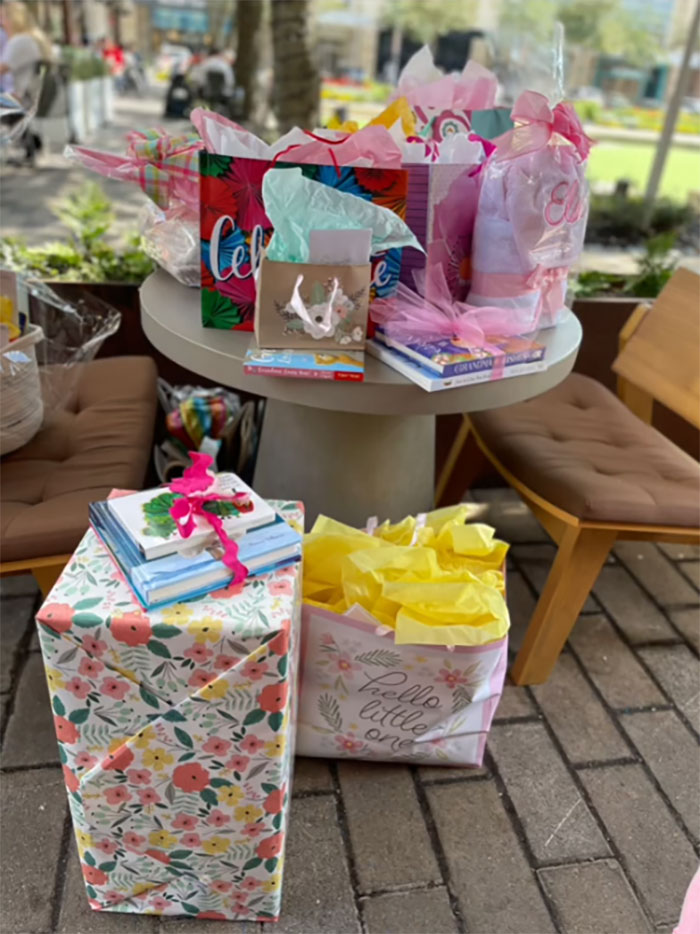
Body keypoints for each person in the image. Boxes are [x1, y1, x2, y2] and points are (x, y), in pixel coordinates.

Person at [0, 2, 52, 163]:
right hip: (26, 97)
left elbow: (2, 68)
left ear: (14, 19)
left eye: (2, 17)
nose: (1, 22)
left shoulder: (19, 41)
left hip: (17, 98)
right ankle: (31, 144)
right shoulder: (31, 39)